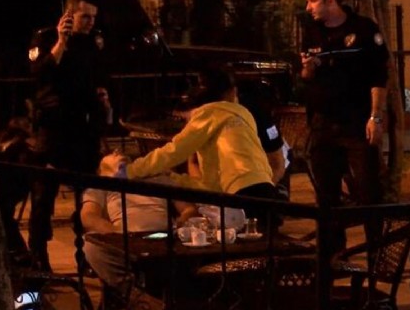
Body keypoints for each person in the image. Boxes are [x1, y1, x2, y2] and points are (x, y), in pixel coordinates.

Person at [102, 66, 281, 232]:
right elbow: (212, 184)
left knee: (242, 247)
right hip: (266, 189)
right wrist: (173, 178)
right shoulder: (243, 116)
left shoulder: (207, 115)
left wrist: (131, 171)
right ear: (232, 92)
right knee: (266, 245)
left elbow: (173, 151)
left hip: (241, 194)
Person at [299, 0, 388, 251]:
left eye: (313, 1)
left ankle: (377, 254)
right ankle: (332, 257)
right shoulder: (311, 31)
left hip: (356, 125)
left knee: (368, 193)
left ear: (331, 1)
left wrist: (375, 117)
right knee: (327, 198)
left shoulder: (363, 29)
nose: (308, 7)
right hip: (323, 125)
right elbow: (306, 76)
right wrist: (308, 69)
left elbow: (379, 77)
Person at [26, 0, 112, 271]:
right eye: (85, 16)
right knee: (43, 196)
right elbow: (40, 73)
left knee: (86, 197)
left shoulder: (92, 43)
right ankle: (38, 256)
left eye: (93, 17)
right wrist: (61, 42)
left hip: (83, 130)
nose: (90, 22)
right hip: (53, 130)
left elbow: (97, 78)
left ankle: (85, 256)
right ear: (69, 15)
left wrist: (103, 105)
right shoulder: (46, 39)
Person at [81, 154, 198, 292]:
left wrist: (182, 221)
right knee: (90, 246)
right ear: (102, 171)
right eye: (111, 153)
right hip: (124, 238)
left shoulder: (159, 179)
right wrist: (115, 232)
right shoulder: (102, 186)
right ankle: (133, 291)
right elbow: (88, 216)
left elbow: (189, 209)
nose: (117, 151)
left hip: (165, 236)